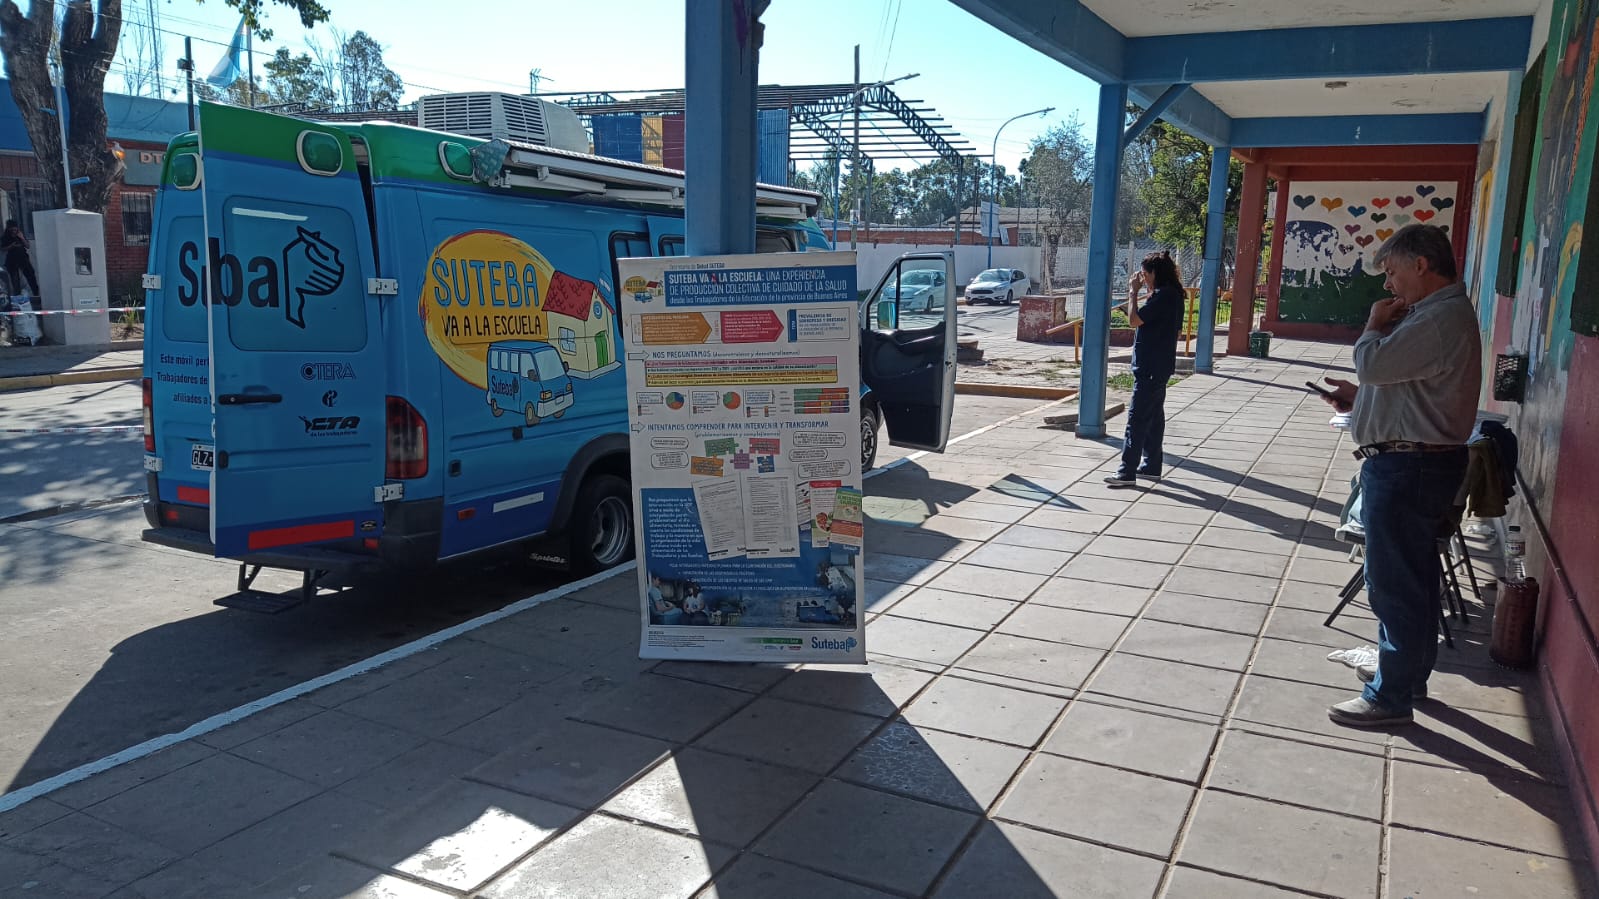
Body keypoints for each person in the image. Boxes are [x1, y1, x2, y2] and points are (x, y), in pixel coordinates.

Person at [1316, 224, 1481, 728]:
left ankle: (1390, 696)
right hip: (1415, 462)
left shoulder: (1439, 317)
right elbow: (1404, 384)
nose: (1388, 285)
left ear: (1420, 265)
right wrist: (1362, 399)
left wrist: (1372, 326)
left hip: (1410, 467)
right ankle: (1408, 677)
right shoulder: (1435, 315)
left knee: (1393, 584)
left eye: (1391, 272)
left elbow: (1374, 364)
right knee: (1414, 579)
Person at [1106, 251, 1184, 486]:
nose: (1141, 278)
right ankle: (1151, 465)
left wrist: (1133, 292)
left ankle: (1126, 472)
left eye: (1144, 274)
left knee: (1137, 418)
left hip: (1150, 366)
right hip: (1160, 365)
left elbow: (1134, 320)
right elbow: (1175, 331)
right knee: (1154, 418)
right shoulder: (1173, 295)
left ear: (1155, 273)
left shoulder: (1163, 296)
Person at [2, 220, 39, 298]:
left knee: (31, 276)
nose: (14, 231)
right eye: (12, 230)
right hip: (12, 260)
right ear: (9, 229)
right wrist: (11, 246)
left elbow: (27, 246)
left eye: (15, 229)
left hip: (23, 259)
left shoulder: (19, 234)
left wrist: (22, 238)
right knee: (15, 281)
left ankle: (36, 293)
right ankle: (18, 297)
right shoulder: (5, 237)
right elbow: (3, 249)